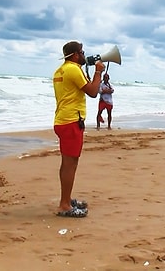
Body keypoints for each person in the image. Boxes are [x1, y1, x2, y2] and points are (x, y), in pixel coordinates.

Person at [52, 41, 105, 217]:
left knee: (68, 163)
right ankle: (64, 205)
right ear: (75, 55)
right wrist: (98, 72)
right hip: (71, 121)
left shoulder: (60, 70)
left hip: (62, 120)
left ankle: (66, 199)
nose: (84, 55)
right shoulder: (74, 69)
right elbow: (92, 91)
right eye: (82, 52)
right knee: (70, 164)